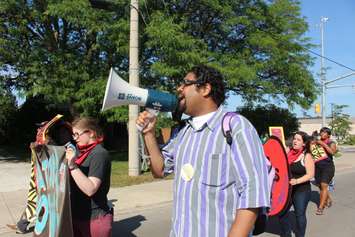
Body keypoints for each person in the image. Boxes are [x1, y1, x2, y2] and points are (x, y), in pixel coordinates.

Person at [136, 65, 270, 237]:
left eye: (185, 83)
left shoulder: (236, 127)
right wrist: (148, 133)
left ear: (205, 89)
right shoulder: (181, 132)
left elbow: (253, 193)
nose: (179, 89)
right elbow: (159, 170)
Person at [65, 117, 112, 237]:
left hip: (94, 218)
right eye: (73, 135)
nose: (75, 139)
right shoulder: (82, 152)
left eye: (77, 134)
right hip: (78, 215)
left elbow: (90, 189)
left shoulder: (99, 154)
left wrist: (72, 166)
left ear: (90, 133)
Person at [279, 131, 314, 237]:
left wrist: (297, 181)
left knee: (300, 215)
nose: (295, 141)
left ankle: (300, 235)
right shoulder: (288, 152)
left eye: (298, 139)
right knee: (281, 213)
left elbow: (310, 175)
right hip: (287, 188)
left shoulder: (306, 156)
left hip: (302, 190)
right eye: (294, 138)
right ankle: (286, 233)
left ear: (303, 143)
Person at [314, 127, 337, 215]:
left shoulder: (331, 143)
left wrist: (323, 144)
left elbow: (332, 152)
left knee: (324, 185)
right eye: (321, 132)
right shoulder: (317, 142)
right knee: (320, 186)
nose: (322, 134)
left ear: (328, 135)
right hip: (317, 167)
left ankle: (320, 207)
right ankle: (328, 199)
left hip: (328, 167)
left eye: (324, 132)